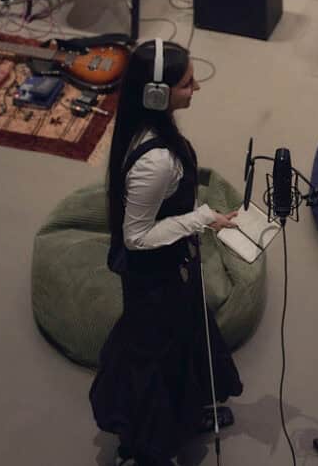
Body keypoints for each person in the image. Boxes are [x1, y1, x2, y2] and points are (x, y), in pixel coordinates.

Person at [90, 38, 243, 465]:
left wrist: (201, 216)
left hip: (173, 267)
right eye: (188, 83)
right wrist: (201, 219)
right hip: (155, 279)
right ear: (157, 94)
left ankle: (185, 415)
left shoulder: (151, 132)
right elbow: (137, 236)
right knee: (157, 358)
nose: (196, 89)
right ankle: (148, 446)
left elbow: (163, 208)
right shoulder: (156, 161)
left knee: (183, 342)